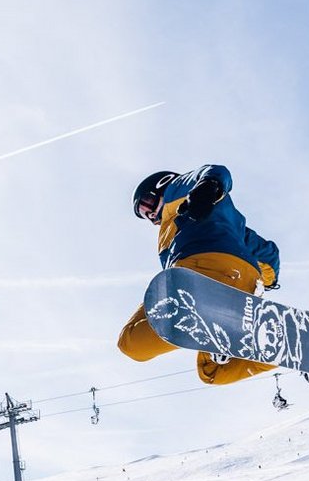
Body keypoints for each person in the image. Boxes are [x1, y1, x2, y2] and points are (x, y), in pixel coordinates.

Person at [118, 165, 282, 385]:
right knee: (210, 371)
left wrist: (208, 186)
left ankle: (215, 321)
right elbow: (269, 255)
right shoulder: (233, 226)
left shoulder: (177, 193)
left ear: (161, 185)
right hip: (245, 286)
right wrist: (268, 280)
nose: (151, 216)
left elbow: (215, 171)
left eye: (146, 204)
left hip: (201, 272)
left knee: (130, 343)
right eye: (145, 215)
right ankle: (275, 343)